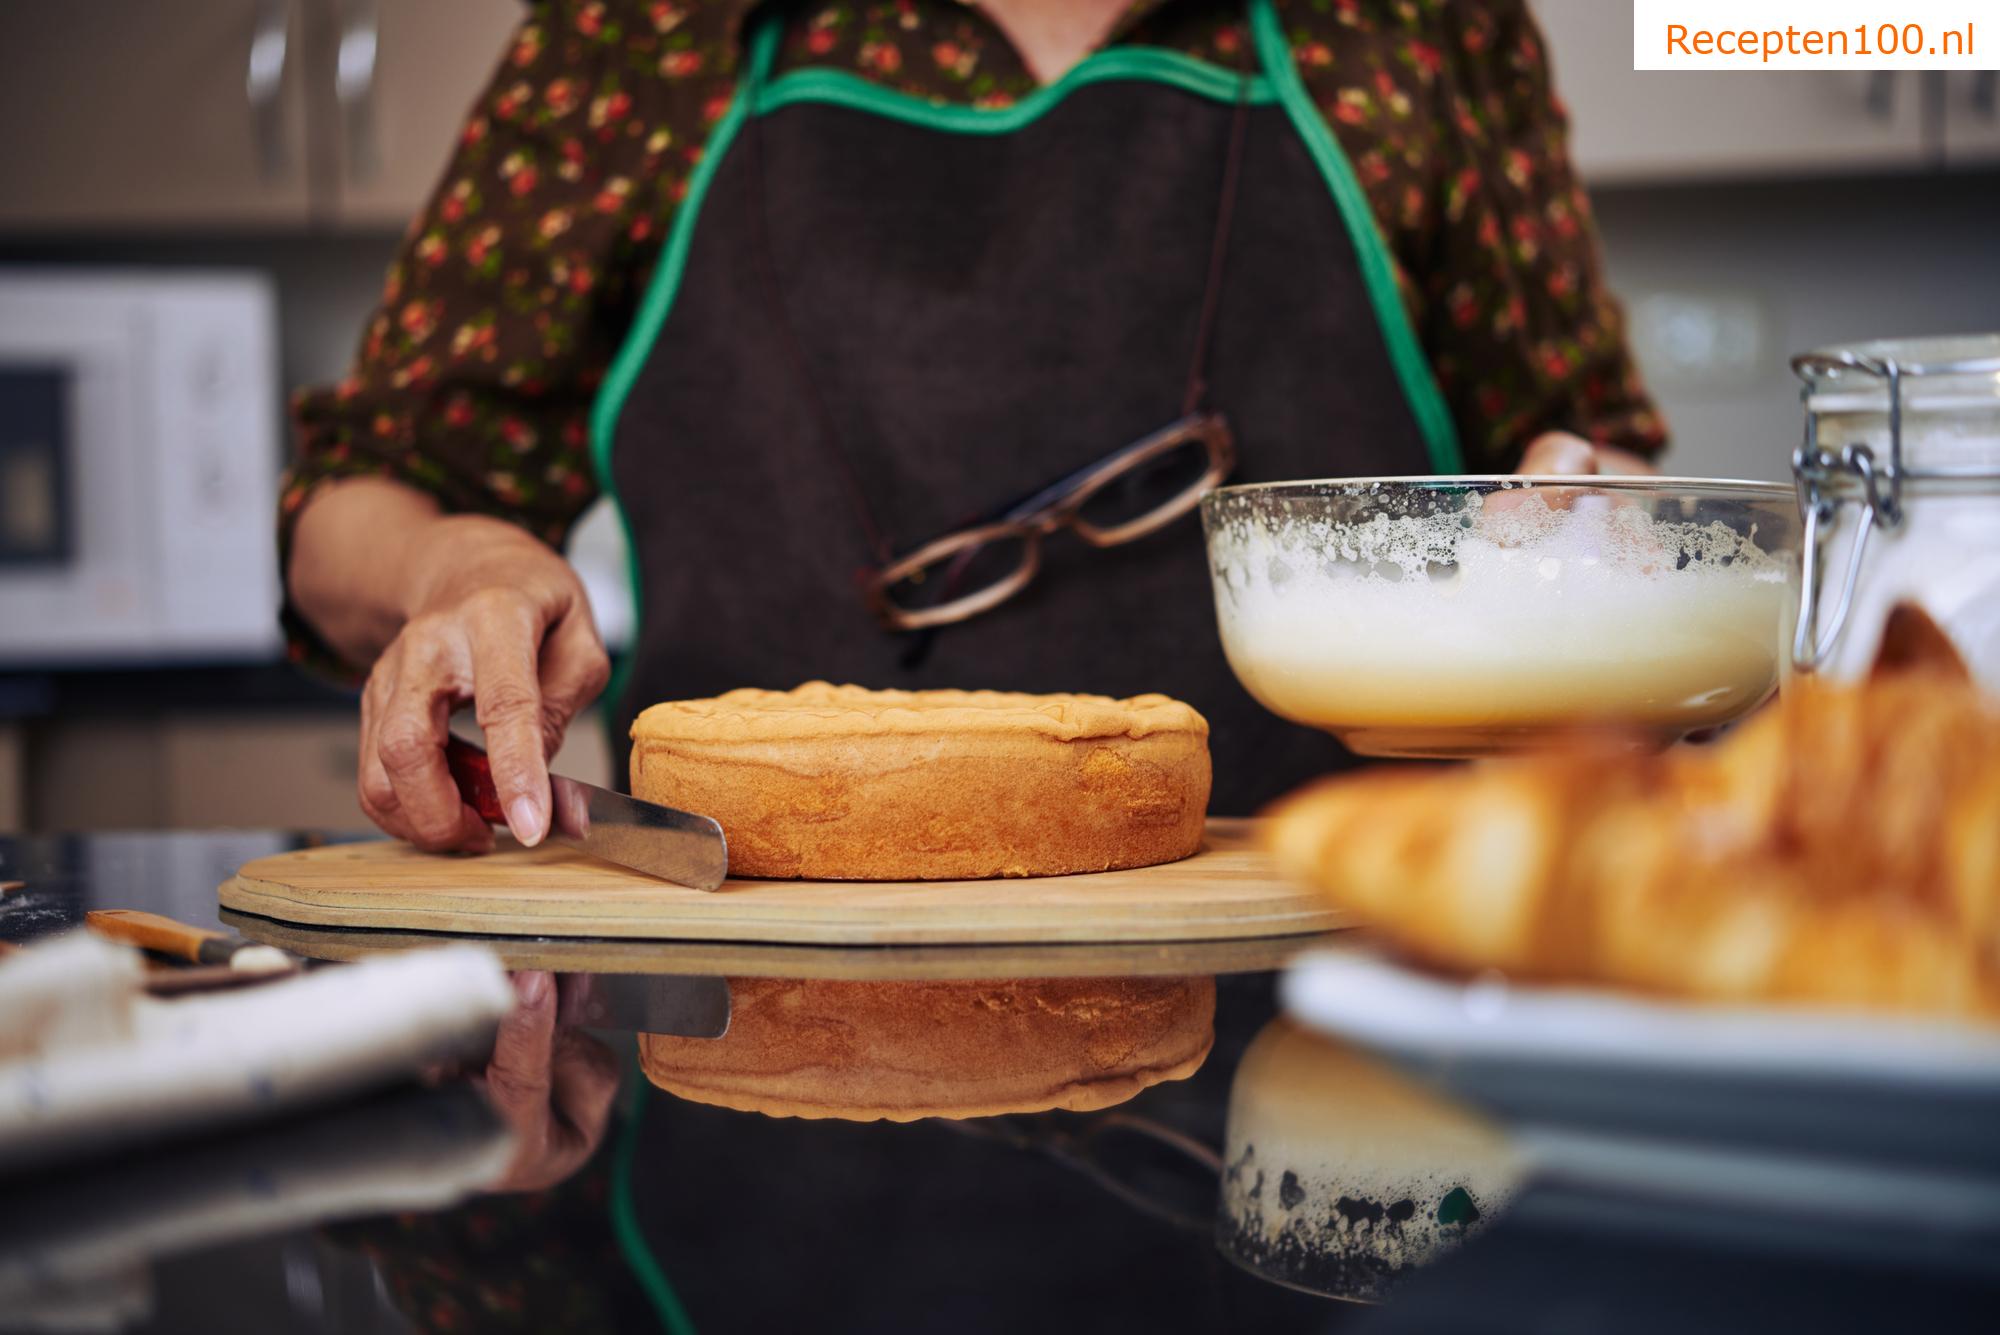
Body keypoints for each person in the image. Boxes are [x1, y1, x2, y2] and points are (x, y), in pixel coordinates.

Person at [284, 0, 1662, 860]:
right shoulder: (644, 34)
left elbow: (1590, 455)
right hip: (759, 1030)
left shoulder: (1417, 24)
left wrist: (1586, 523)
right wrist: (451, 575)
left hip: (1327, 967)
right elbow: (359, 500)